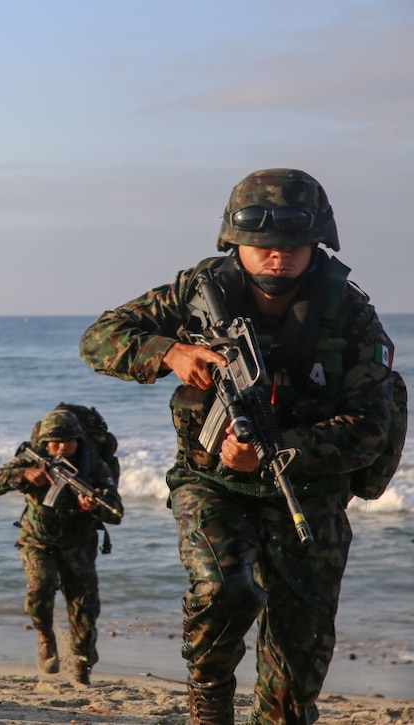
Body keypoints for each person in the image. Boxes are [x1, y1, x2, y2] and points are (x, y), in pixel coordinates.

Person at [78, 169, 395, 725]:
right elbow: (101, 338)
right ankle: (209, 691)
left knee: (293, 683)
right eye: (263, 246)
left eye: (294, 245)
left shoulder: (351, 314)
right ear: (235, 242)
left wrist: (282, 451)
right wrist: (170, 352)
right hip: (212, 482)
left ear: (317, 242)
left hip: (307, 493)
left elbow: (368, 430)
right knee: (224, 590)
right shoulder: (200, 290)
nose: (278, 257)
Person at [0, 408, 124, 685]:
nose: (60, 447)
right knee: (40, 589)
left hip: (78, 543)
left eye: (67, 441)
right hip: (37, 538)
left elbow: (116, 512)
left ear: (78, 440)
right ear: (44, 442)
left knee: (84, 609)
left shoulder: (93, 466)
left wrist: (95, 508)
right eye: (54, 442)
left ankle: (82, 668)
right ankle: (45, 635)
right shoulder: (31, 458)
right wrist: (23, 474)